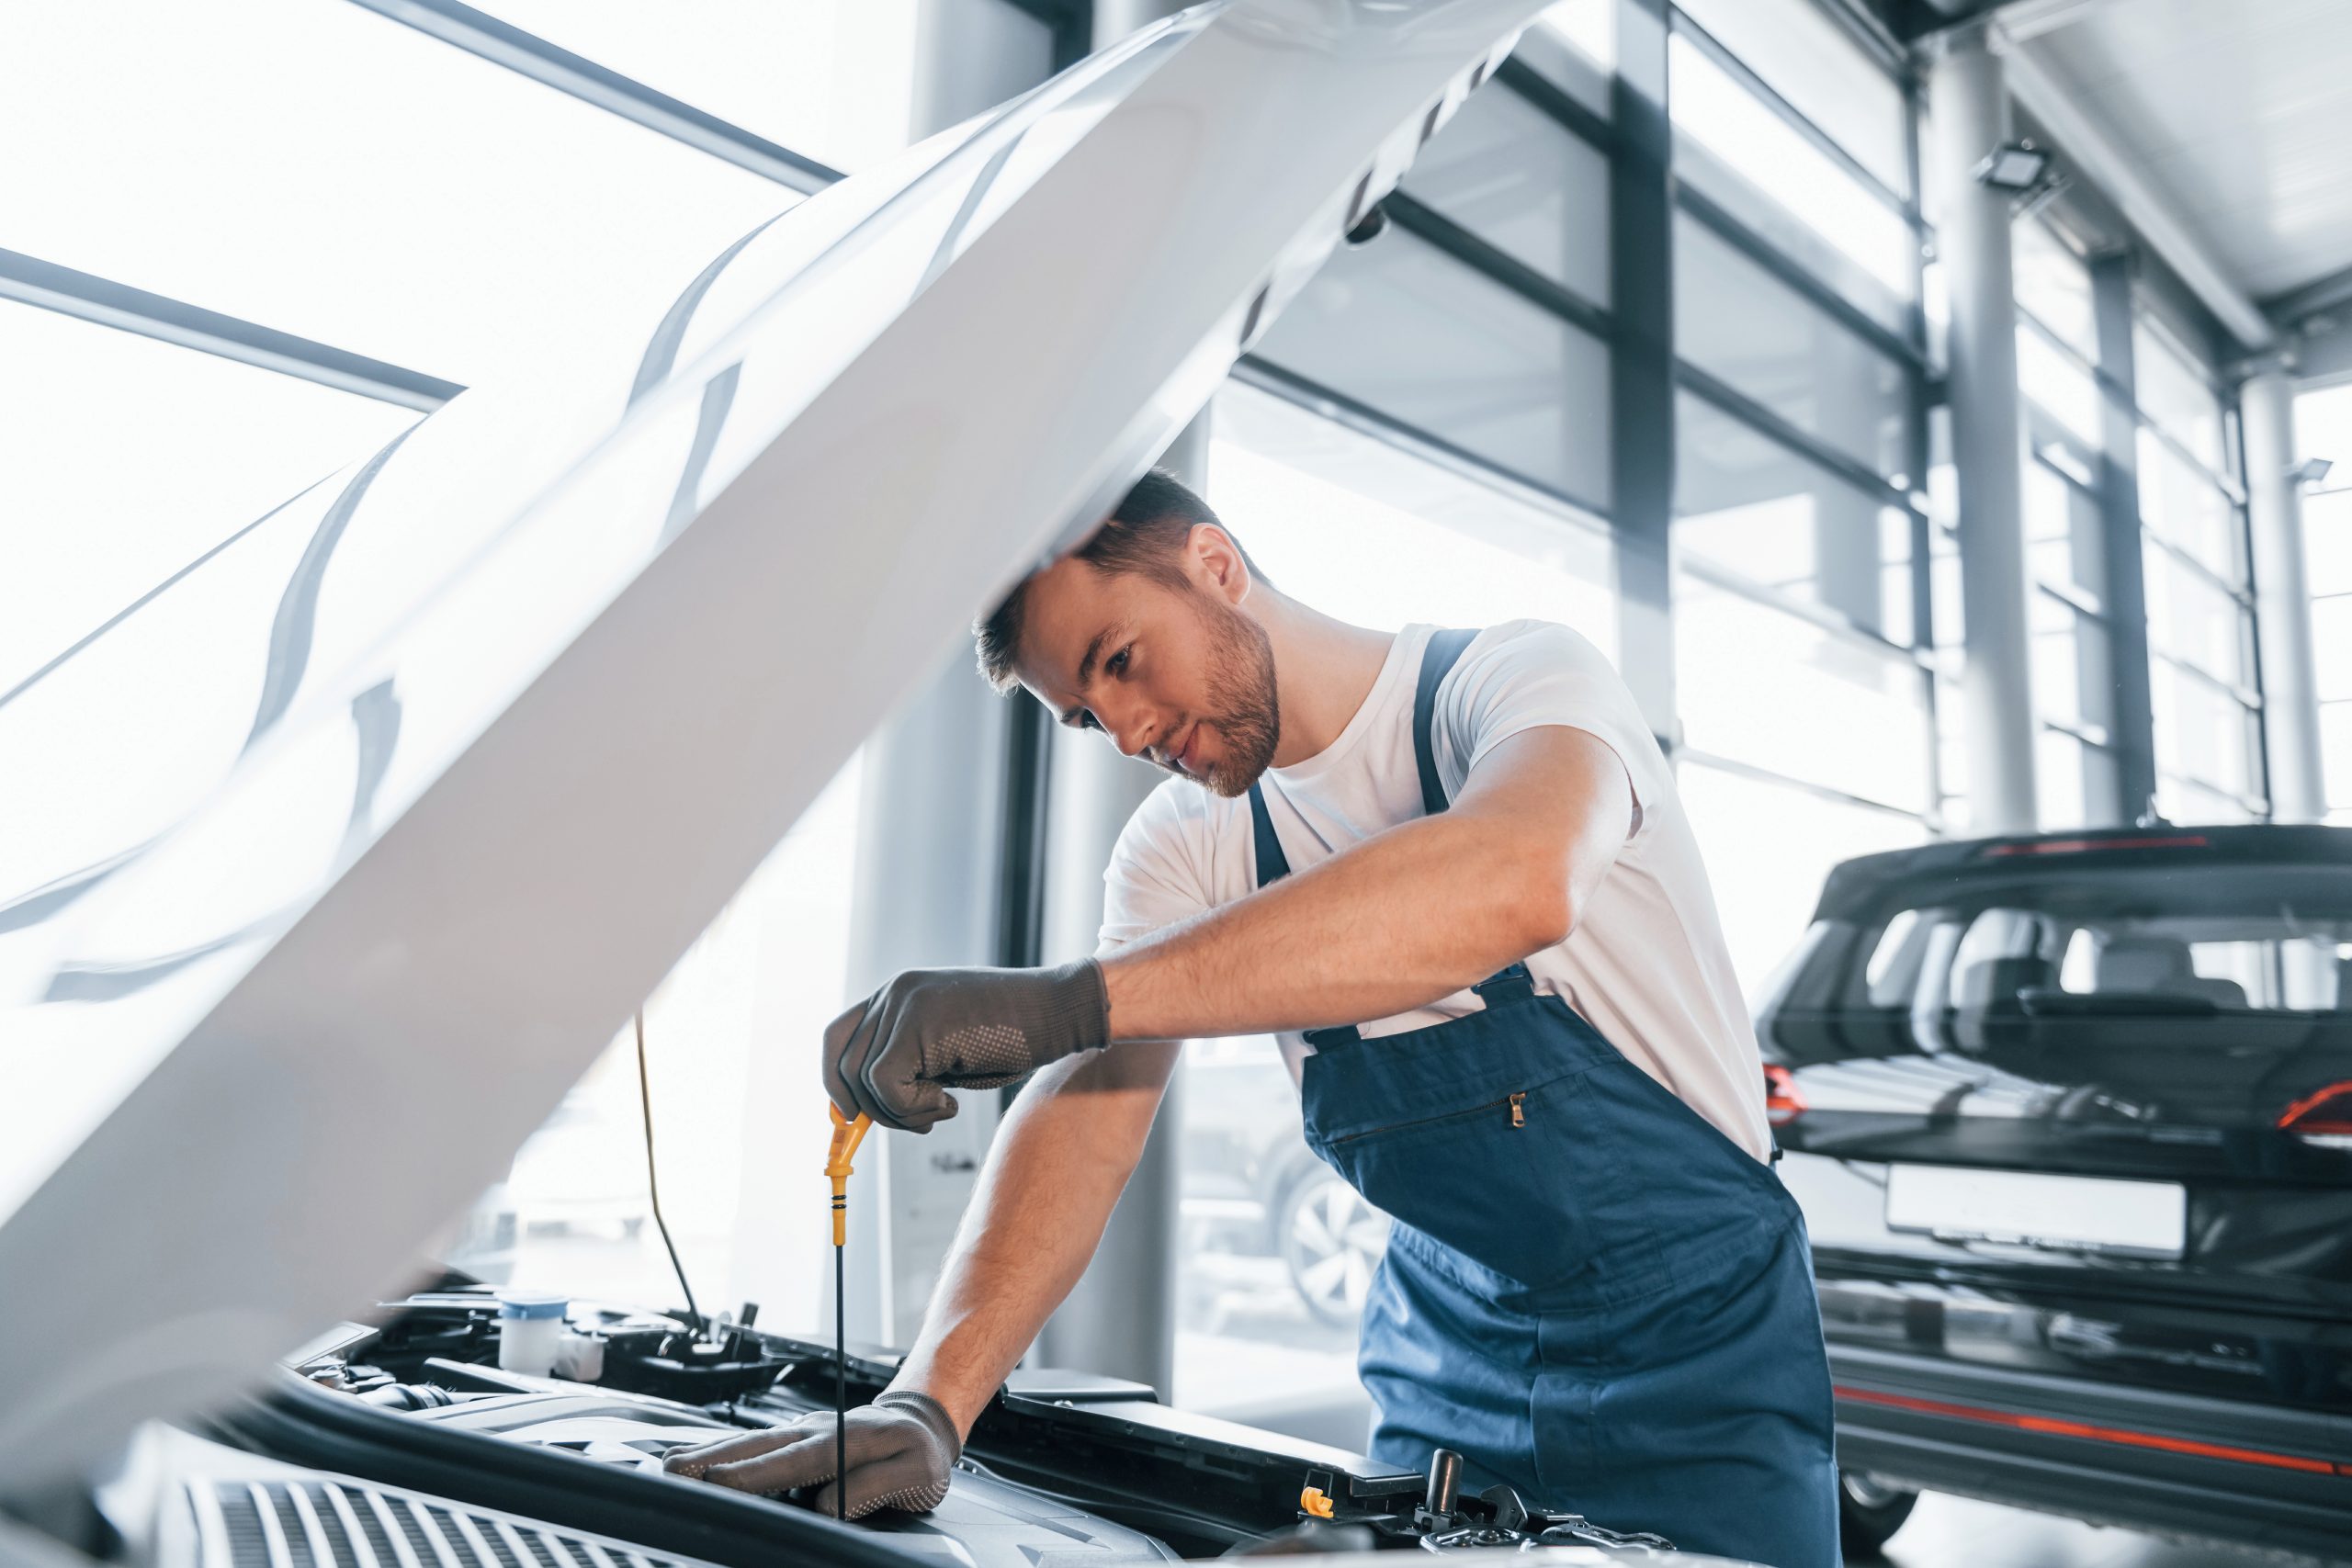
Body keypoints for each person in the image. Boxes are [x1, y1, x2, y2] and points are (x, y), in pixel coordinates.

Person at [665, 469, 1840, 1568]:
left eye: (1119, 660)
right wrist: (932, 1401)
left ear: (1215, 565)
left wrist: (1065, 1001)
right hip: (1445, 1370)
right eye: (1085, 716)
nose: (1124, 732)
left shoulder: (1514, 685)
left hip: (1703, 1361)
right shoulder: (1187, 849)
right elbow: (1091, 1108)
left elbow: (1514, 876)